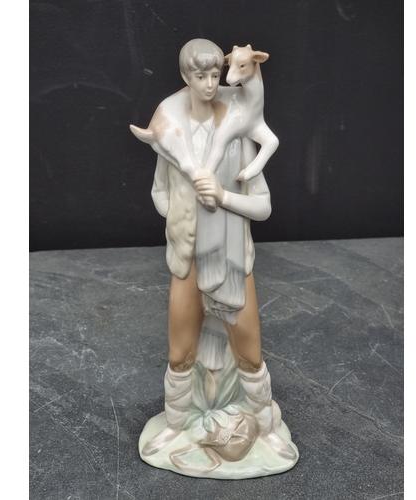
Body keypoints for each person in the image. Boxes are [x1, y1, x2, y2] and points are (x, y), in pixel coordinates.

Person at [141, 39, 296, 461]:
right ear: (185, 78)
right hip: (188, 261)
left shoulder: (238, 135)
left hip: (231, 262)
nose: (211, 84)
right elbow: (159, 191)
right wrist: (178, 218)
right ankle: (175, 426)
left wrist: (224, 197)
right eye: (201, 76)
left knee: (249, 352)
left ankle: (267, 429)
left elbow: (263, 207)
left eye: (215, 75)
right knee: (180, 353)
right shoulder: (171, 136)